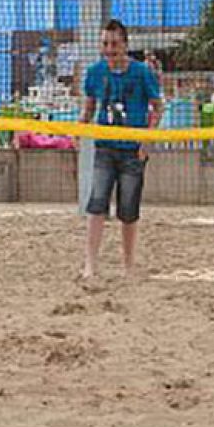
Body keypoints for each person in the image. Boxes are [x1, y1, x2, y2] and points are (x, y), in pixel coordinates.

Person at [79, 20, 163, 280]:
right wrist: (77, 132)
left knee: (128, 210)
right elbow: (88, 109)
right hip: (105, 147)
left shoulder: (141, 73)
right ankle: (90, 265)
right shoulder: (95, 72)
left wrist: (147, 140)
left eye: (114, 43)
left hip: (132, 151)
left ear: (125, 45)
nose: (109, 48)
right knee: (97, 204)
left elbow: (157, 107)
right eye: (105, 43)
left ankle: (128, 266)